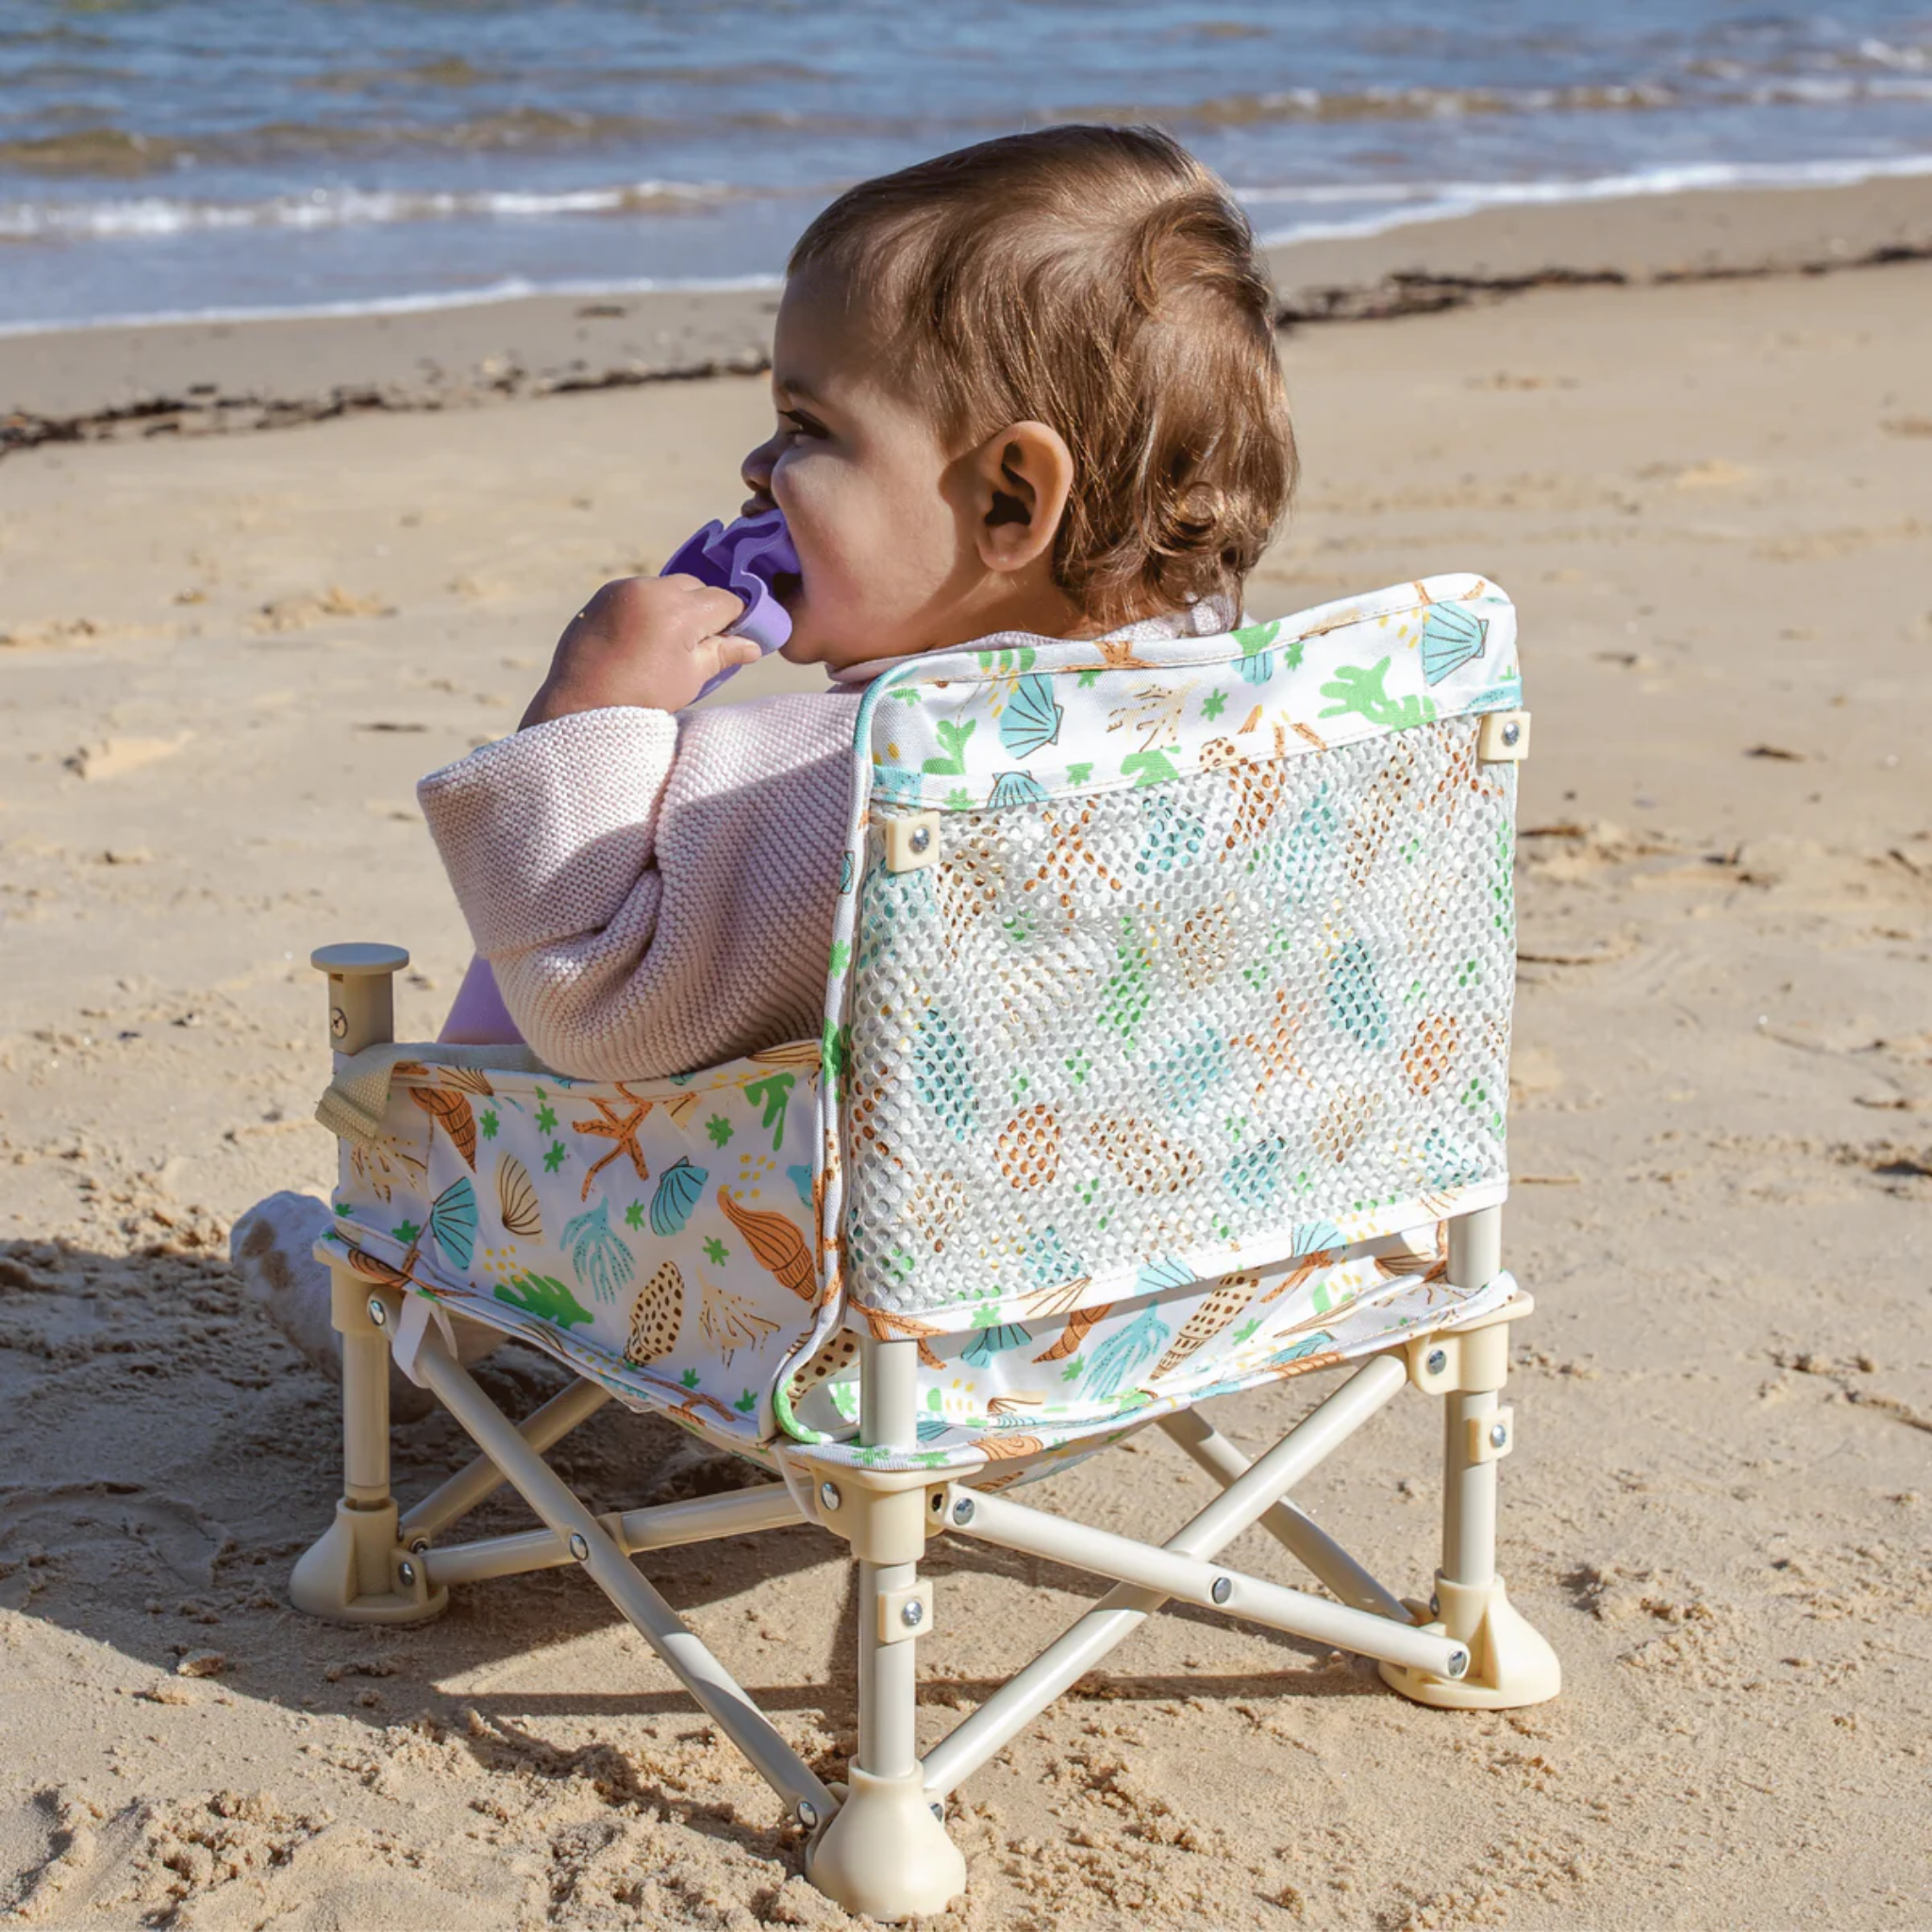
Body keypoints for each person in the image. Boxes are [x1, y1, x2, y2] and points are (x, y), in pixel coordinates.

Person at [231, 123, 1297, 1396]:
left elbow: (593, 1012)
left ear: (1011, 501)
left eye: (807, 425)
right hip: (1140, 1278)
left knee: (510, 1026)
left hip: (811, 1300)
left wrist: (590, 716)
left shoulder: (844, 785)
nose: (754, 467)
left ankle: (421, 1300)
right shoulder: (1256, 721)